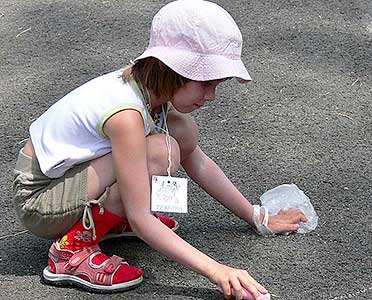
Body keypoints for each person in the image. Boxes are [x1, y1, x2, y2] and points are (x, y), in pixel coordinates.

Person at [12, 0, 307, 298]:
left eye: (218, 83)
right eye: (205, 82)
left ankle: (111, 217)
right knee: (159, 152)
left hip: (69, 185)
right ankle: (70, 251)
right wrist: (217, 270)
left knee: (181, 132)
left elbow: (199, 163)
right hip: (40, 202)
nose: (212, 95)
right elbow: (143, 220)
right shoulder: (126, 114)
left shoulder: (153, 93)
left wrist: (257, 217)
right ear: (170, 69)